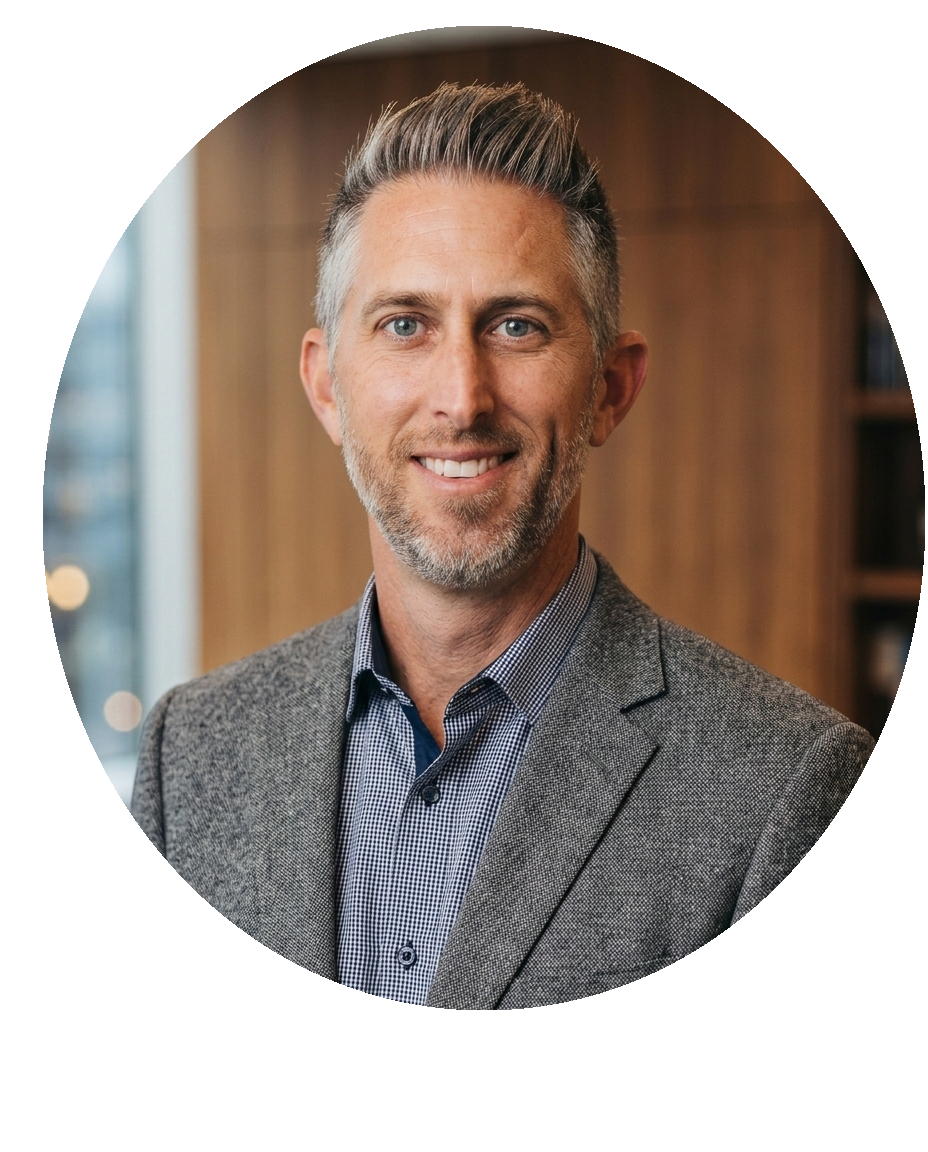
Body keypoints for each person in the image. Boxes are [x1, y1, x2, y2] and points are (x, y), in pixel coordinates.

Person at [132, 82, 873, 1010]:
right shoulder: (192, 755)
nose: (462, 398)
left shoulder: (787, 791)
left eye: (516, 326)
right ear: (327, 387)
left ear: (609, 387)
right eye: (405, 325)